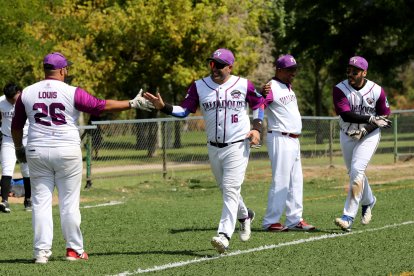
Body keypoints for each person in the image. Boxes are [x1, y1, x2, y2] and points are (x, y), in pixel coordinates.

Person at [11, 52, 153, 264]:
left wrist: (17, 147)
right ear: (62, 70)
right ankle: (74, 250)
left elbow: (16, 126)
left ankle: (41, 252)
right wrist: (131, 103)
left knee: (41, 203)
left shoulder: (27, 93)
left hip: (37, 150)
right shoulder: (71, 91)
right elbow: (100, 105)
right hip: (66, 150)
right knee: (68, 202)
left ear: (44, 70)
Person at [144, 48, 264, 253]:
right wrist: (163, 107)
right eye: (211, 64)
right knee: (226, 188)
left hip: (238, 144)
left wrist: (257, 127)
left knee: (230, 187)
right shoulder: (199, 86)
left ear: (230, 67)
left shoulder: (243, 84)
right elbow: (183, 111)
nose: (214, 68)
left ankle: (224, 235)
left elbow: (259, 102)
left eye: (219, 65)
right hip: (213, 147)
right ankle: (245, 215)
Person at [333, 56, 391, 231]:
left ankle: (348, 216)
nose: (350, 73)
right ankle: (369, 200)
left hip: (369, 135)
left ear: (364, 73)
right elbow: (346, 115)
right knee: (354, 172)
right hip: (347, 133)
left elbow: (384, 115)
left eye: (355, 71)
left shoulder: (376, 90)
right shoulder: (340, 89)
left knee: (357, 170)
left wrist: (365, 129)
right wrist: (371, 117)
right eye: (349, 70)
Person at [262, 54, 316, 232]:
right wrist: (256, 125)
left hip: (293, 139)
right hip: (280, 137)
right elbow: (259, 104)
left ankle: (295, 219)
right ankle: (271, 221)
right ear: (279, 70)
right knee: (281, 180)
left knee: (295, 181)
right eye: (289, 70)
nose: (293, 72)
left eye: (295, 69)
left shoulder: (287, 87)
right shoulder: (272, 87)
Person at [0, 83, 32, 213]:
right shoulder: (1, 101)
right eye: (9, 99)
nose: (12, 101)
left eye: (13, 98)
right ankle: (4, 202)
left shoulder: (27, 100)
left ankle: (28, 200)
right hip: (9, 138)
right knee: (7, 168)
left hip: (26, 138)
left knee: (27, 170)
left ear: (19, 92)